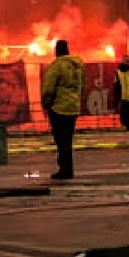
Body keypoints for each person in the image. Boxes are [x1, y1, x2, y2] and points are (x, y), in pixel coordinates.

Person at [40, 40, 84, 180]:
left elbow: (48, 89)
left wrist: (46, 104)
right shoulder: (78, 66)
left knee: (61, 140)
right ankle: (67, 169)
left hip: (59, 108)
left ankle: (65, 170)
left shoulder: (57, 66)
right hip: (73, 107)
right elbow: (83, 85)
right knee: (68, 140)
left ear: (57, 51)